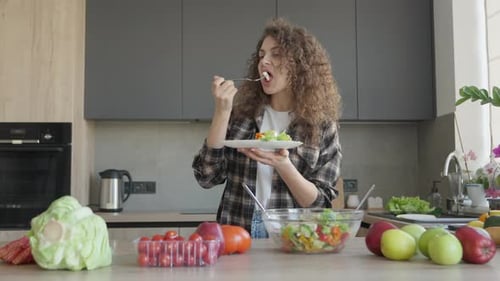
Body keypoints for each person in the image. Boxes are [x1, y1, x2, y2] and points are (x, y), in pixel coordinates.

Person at [192, 17, 342, 238]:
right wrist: (222, 111)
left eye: (276, 54)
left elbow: (320, 204)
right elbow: (207, 176)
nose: (264, 61)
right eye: (262, 55)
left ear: (299, 65)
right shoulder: (241, 116)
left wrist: (284, 165)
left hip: (294, 238)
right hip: (236, 233)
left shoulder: (321, 126)